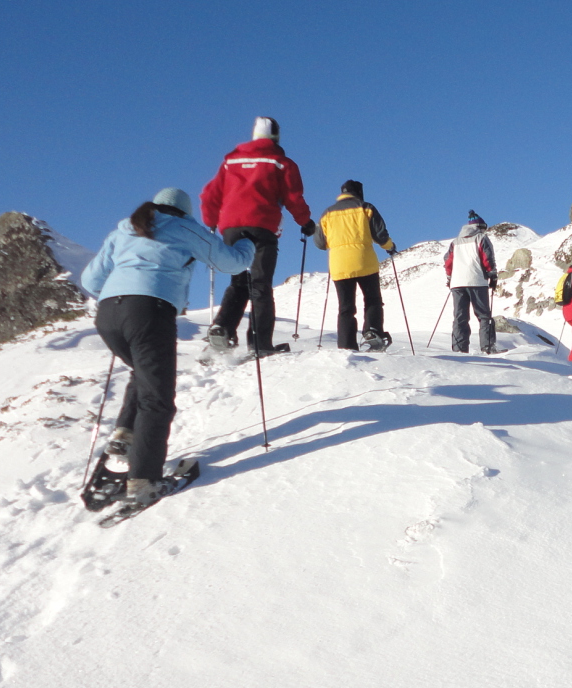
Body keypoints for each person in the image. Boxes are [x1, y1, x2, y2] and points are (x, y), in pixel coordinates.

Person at [81, 188, 256, 506]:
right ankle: (143, 481)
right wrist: (247, 242)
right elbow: (231, 264)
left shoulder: (126, 227)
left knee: (143, 375)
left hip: (108, 315)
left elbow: (91, 280)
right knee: (158, 400)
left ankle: (126, 434)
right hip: (150, 312)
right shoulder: (186, 229)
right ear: (185, 212)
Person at [200, 116, 314, 356]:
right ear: (276, 136)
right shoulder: (281, 163)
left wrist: (210, 221)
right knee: (260, 285)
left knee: (239, 282)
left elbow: (210, 195)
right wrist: (306, 223)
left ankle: (222, 328)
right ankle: (260, 344)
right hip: (262, 227)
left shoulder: (230, 162)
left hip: (230, 227)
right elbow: (293, 198)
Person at [314, 179, 398, 351]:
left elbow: (320, 242)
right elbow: (380, 234)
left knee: (346, 307)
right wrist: (390, 246)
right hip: (364, 261)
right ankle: (372, 331)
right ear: (359, 193)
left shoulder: (327, 213)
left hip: (339, 265)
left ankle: (346, 345)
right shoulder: (366, 208)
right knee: (373, 300)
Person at [444, 210, 498, 354]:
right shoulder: (481, 238)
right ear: (480, 226)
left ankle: (459, 348)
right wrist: (492, 276)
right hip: (477, 281)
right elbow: (487, 259)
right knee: (484, 315)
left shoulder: (455, 242)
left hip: (457, 283)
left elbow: (448, 262)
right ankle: (487, 347)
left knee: (460, 317)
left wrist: (449, 278)